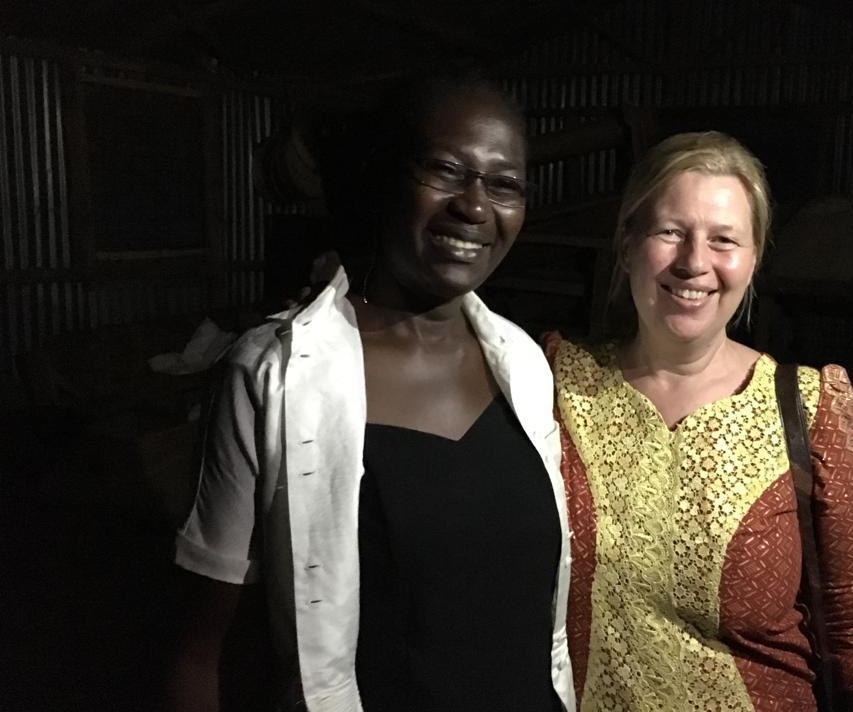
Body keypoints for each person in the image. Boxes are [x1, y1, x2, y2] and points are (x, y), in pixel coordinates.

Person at [167, 75, 574, 712]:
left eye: (504, 183)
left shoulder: (522, 365)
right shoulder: (275, 373)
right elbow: (203, 648)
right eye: (445, 169)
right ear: (384, 177)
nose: (474, 206)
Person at [545, 131, 853, 711]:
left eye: (724, 240)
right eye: (670, 232)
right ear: (626, 246)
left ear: (753, 260)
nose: (695, 262)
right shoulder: (556, 382)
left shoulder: (808, 406)